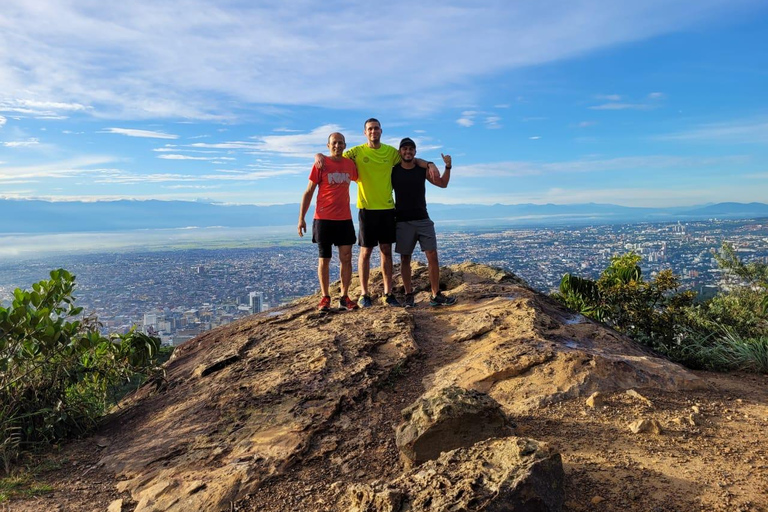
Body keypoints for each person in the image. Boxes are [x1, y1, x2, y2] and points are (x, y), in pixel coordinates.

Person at [316, 118, 437, 307]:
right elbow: (335, 156)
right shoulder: (355, 152)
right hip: (366, 209)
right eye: (370, 129)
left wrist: (429, 163)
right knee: (365, 252)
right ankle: (364, 294)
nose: (373, 131)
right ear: (365, 132)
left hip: (388, 209)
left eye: (376, 128)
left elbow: (411, 159)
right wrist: (318, 155)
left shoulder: (390, 152)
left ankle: (388, 293)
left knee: (386, 251)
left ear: (381, 131)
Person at [392, 137, 456, 307]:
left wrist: (447, 167)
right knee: (405, 258)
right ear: (400, 152)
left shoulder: (421, 170)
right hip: (402, 220)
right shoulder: (393, 171)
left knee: (432, 255)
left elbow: (443, 184)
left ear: (415, 152)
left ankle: (435, 295)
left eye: (411, 149)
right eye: (404, 149)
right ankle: (408, 294)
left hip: (423, 218)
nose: (408, 152)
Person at [299, 132, 359, 312]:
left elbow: (361, 178)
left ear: (345, 145)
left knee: (346, 258)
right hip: (323, 218)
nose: (337, 146)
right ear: (328, 145)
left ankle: (344, 296)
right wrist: (301, 217)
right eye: (334, 143)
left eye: (341, 143)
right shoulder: (321, 164)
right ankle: (325, 297)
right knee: (324, 259)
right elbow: (308, 191)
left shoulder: (350, 164)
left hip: (344, 218)